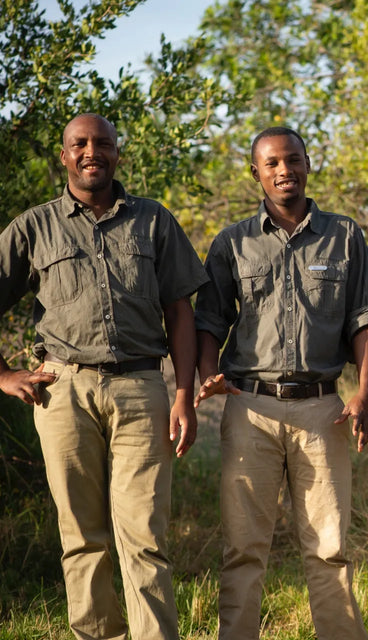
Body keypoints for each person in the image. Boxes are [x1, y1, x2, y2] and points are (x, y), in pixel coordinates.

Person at [0, 113, 207, 640]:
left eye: (103, 143)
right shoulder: (34, 226)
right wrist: (3, 375)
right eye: (80, 144)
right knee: (81, 535)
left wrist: (184, 394)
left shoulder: (154, 220)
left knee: (144, 533)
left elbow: (181, 312)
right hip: (62, 391)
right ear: (65, 155)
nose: (92, 151)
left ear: (117, 153)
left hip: (141, 388)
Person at [193, 126, 368, 640]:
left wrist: (364, 394)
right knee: (243, 548)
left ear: (307, 163)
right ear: (255, 172)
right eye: (272, 163)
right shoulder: (233, 242)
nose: (284, 171)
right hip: (249, 407)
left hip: (323, 409)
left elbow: (365, 319)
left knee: (330, 548)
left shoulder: (343, 235)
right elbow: (210, 318)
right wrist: (207, 374)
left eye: (293, 160)